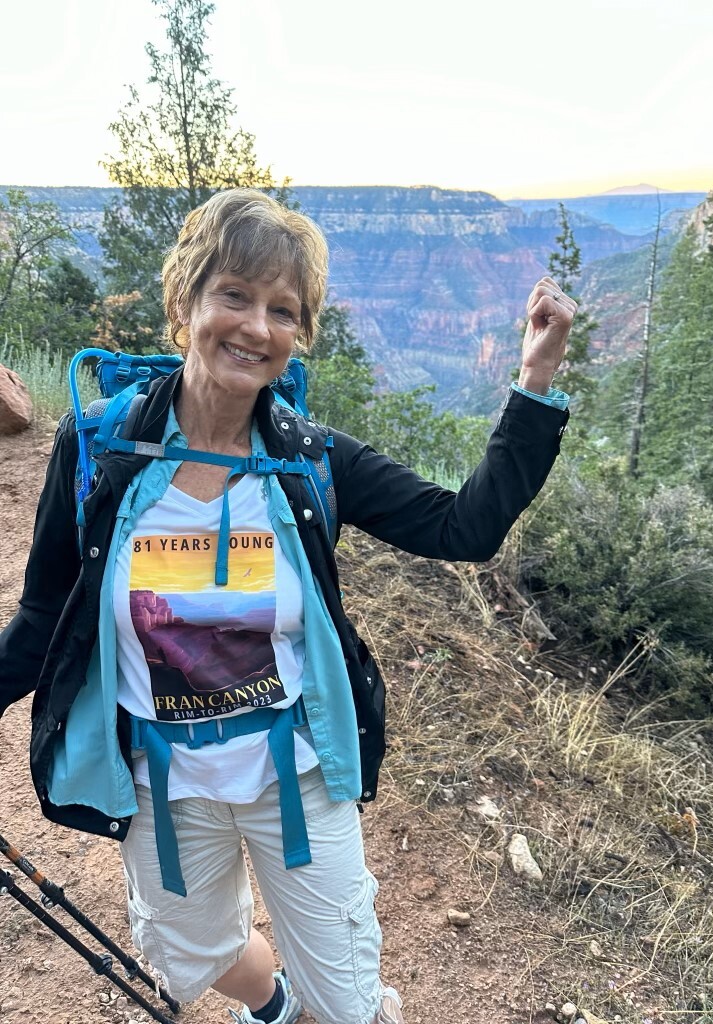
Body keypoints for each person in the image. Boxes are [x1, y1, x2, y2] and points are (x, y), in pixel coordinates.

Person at [0, 188, 574, 1024]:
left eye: (283, 309)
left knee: (348, 1000)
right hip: (164, 779)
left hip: (294, 771)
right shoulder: (101, 448)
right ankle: (271, 1003)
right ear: (185, 300)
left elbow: (464, 526)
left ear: (298, 333)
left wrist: (535, 380)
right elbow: (44, 619)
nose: (257, 327)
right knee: (184, 956)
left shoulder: (309, 462)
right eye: (234, 295)